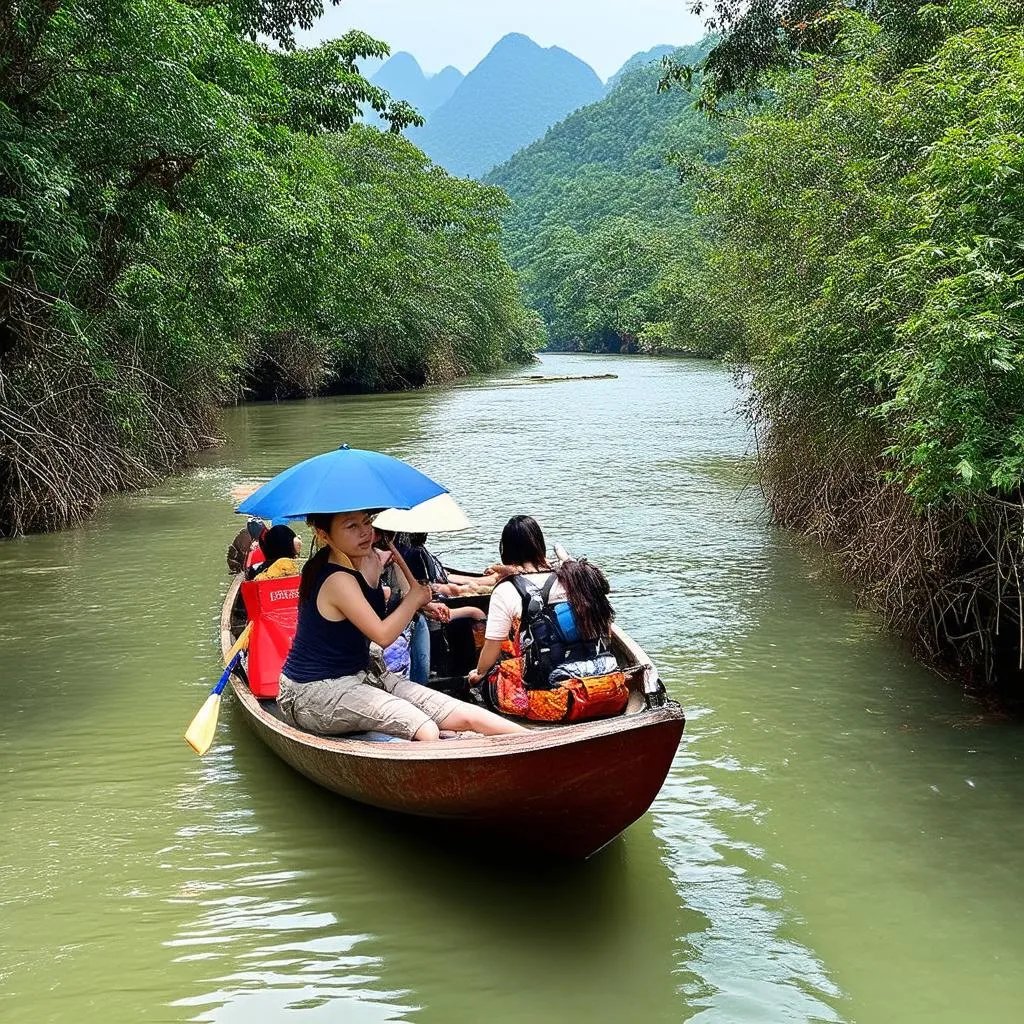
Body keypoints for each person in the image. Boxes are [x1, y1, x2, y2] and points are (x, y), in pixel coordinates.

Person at [278, 511, 527, 741]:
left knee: (465, 715)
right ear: (324, 535)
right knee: (426, 729)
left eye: (366, 521)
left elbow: (387, 576)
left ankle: (536, 742)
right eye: (351, 526)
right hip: (314, 692)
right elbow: (383, 635)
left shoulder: (372, 558)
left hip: (366, 675)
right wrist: (414, 599)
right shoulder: (336, 579)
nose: (365, 532)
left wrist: (420, 600)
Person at [468, 515, 615, 687]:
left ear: (505, 551)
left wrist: (479, 673)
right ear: (540, 545)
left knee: (486, 676)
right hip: (603, 676)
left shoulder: (505, 590)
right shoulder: (574, 577)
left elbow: (492, 646)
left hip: (546, 693)